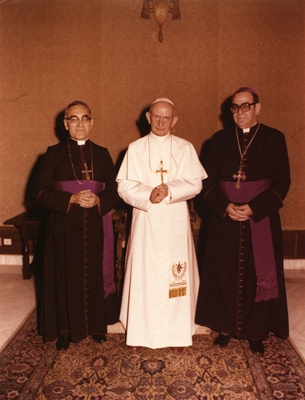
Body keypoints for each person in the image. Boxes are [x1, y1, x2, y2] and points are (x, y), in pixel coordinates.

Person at [195, 87, 291, 354]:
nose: (240, 112)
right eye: (235, 107)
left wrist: (253, 208)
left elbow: (283, 183)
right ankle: (224, 326)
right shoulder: (218, 140)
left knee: (256, 273)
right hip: (224, 218)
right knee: (224, 270)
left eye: (246, 106)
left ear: (257, 108)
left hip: (260, 217)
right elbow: (207, 181)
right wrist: (225, 206)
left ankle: (255, 331)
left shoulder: (274, 138)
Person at [116, 98, 207, 351]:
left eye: (166, 117)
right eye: (156, 116)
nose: (160, 122)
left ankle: (176, 330)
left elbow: (196, 184)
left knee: (174, 274)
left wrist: (169, 190)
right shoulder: (134, 149)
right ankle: (141, 330)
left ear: (174, 120)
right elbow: (124, 187)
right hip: (145, 220)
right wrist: (147, 194)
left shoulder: (185, 148)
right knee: (145, 271)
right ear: (147, 116)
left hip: (175, 220)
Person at [35, 100, 121, 350]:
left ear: (92, 123)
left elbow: (115, 190)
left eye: (85, 118)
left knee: (94, 273)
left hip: (96, 225)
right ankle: (65, 330)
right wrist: (69, 198)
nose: (80, 123)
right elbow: (39, 193)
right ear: (65, 124)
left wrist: (98, 199)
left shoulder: (102, 153)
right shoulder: (53, 154)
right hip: (63, 226)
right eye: (74, 119)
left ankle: (96, 326)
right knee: (65, 276)